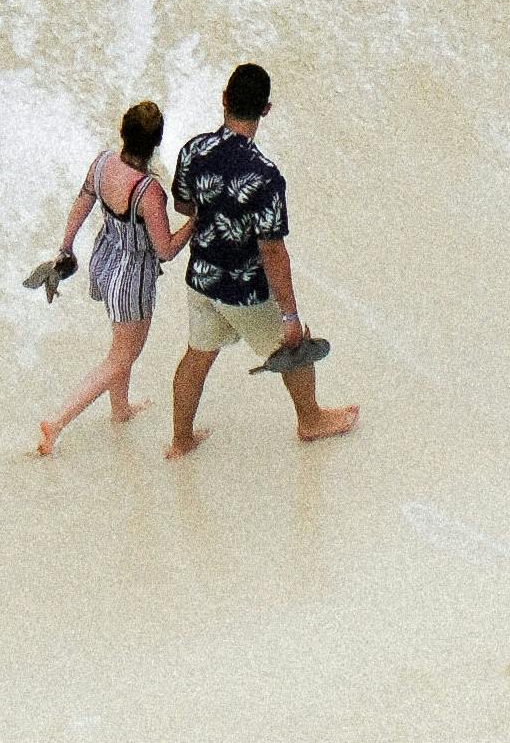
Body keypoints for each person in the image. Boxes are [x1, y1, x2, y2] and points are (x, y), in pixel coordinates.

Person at [167, 59, 357, 451]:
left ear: (224, 99)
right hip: (244, 292)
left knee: (196, 357)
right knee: (297, 347)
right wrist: (289, 314)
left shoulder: (193, 150)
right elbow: (271, 248)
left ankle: (181, 440)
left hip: (201, 279)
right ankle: (311, 420)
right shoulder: (265, 175)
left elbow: (184, 205)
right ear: (265, 109)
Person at [35, 100, 178, 450]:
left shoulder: (102, 163)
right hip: (131, 278)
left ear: (122, 132)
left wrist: (65, 248)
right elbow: (166, 250)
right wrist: (197, 221)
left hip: (105, 261)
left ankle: (121, 409)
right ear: (156, 143)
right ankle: (57, 424)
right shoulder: (149, 192)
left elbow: (83, 202)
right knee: (122, 356)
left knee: (120, 346)